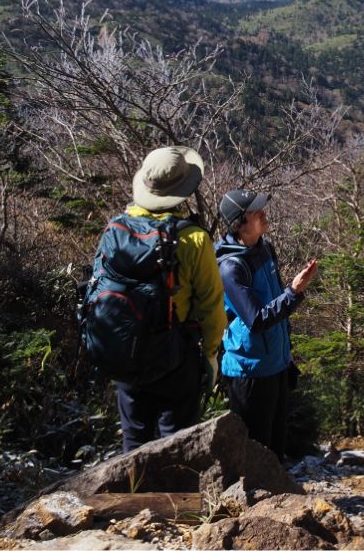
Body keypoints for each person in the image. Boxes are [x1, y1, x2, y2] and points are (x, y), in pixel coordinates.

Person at [115, 146, 226, 451]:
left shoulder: (118, 228)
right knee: (176, 444)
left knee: (134, 441)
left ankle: (135, 497)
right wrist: (211, 355)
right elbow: (211, 306)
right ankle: (176, 500)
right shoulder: (193, 239)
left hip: (125, 354)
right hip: (174, 355)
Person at [216, 189, 317, 458]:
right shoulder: (231, 267)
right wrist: (293, 292)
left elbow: (274, 304)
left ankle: (278, 500)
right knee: (256, 451)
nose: (263, 214)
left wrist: (287, 354)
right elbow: (257, 319)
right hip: (249, 371)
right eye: (255, 212)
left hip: (275, 363)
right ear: (239, 223)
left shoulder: (264, 248)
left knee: (276, 448)